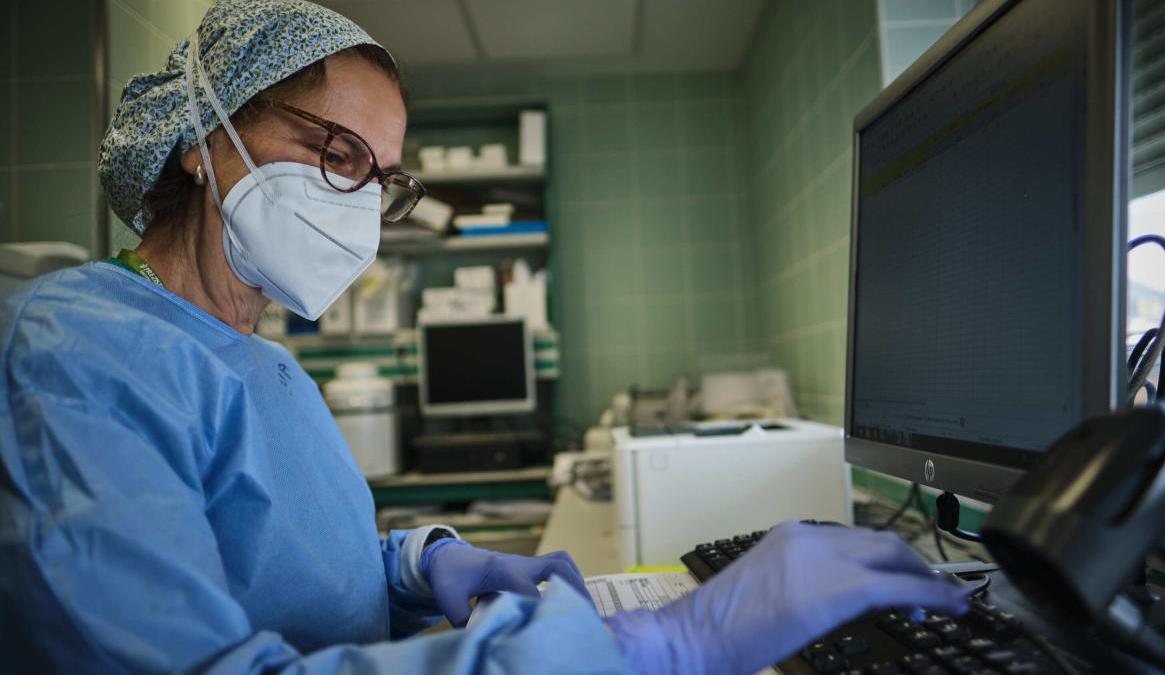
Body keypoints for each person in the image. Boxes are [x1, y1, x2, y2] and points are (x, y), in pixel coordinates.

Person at [0, 1, 969, 673]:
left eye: (382, 178)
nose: (362, 202)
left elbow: (298, 568)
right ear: (203, 143)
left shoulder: (266, 369)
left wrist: (421, 562)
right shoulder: (77, 355)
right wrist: (655, 649)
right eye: (336, 154)